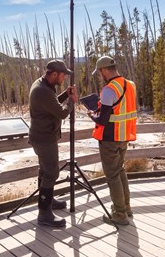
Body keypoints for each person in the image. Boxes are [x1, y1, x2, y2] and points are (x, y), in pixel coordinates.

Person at [87, 56, 137, 226]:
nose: (100, 76)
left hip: (110, 138)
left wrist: (92, 115)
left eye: (100, 72)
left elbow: (102, 120)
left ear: (104, 70)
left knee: (112, 175)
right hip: (125, 136)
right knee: (120, 170)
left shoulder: (109, 90)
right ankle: (126, 207)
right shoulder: (130, 85)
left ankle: (120, 214)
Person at [28, 59, 77, 228]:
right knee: (51, 174)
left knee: (45, 171)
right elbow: (62, 112)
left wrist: (65, 95)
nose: (64, 78)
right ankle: (44, 214)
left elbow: (52, 102)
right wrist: (71, 100)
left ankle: (47, 202)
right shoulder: (42, 90)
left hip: (42, 136)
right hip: (44, 139)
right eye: (63, 75)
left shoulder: (42, 85)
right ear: (54, 74)